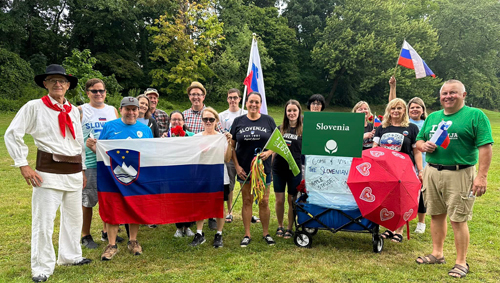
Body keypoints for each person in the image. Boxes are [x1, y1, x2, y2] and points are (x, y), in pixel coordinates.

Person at [4, 64, 92, 282]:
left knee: (74, 218)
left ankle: (70, 256)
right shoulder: (34, 107)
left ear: (68, 85)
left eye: (61, 80)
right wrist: (22, 164)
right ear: (45, 84)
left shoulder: (73, 110)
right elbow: (13, 133)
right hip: (48, 172)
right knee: (44, 221)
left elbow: (78, 141)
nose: (57, 84)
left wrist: (81, 169)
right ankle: (42, 267)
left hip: (73, 171)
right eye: (52, 80)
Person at [415, 80, 493, 279]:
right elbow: (420, 139)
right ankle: (437, 253)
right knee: (436, 214)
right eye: (445, 93)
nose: (448, 96)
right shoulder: (433, 117)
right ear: (440, 97)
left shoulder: (475, 116)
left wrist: (482, 177)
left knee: (458, 218)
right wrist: (423, 146)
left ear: (464, 95)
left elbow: (485, 147)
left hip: (460, 173)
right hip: (432, 170)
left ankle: (460, 262)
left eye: (453, 93)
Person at [86, 97, 153, 261]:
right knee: (113, 207)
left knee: (134, 206)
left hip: (136, 176)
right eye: (127, 109)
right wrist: (92, 146)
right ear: (121, 109)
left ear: (139, 111)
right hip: (112, 176)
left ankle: (133, 241)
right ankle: (111, 244)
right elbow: (101, 152)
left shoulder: (145, 130)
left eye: (134, 109)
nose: (131, 112)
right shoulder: (110, 126)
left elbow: (151, 153)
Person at [78, 78, 122, 250]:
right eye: (94, 91)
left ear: (105, 92)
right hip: (89, 162)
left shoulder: (112, 110)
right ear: (88, 92)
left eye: (101, 90)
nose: (98, 94)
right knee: (88, 200)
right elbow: (74, 137)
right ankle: (85, 234)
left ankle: (106, 232)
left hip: (109, 162)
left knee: (109, 198)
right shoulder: (81, 110)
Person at [373, 98, 423, 243]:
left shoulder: (412, 128)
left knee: (402, 200)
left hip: (404, 170)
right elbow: (374, 149)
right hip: (385, 170)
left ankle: (399, 230)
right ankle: (389, 228)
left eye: (399, 108)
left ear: (404, 111)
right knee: (387, 199)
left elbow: (417, 152)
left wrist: (420, 170)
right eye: (393, 108)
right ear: (389, 110)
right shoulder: (382, 127)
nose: (396, 111)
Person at [230, 92, 277, 247]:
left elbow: (277, 144)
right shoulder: (238, 121)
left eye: (257, 102)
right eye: (251, 102)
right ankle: (247, 234)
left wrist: (269, 152)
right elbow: (232, 146)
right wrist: (236, 166)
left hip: (263, 170)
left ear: (260, 104)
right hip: (244, 170)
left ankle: (266, 233)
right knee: (247, 201)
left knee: (263, 201)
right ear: (246, 103)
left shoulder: (268, 120)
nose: (254, 105)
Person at [389, 76, 429, 234]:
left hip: (423, 163)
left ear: (423, 110)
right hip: (406, 165)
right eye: (412, 107)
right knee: (405, 195)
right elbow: (393, 104)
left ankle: (421, 222)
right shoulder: (406, 124)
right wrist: (393, 87)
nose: (414, 110)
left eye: (418, 108)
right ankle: (401, 220)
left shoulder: (426, 123)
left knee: (422, 194)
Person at [190, 107, 233, 248]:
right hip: (202, 176)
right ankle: (199, 233)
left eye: (211, 119)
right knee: (200, 203)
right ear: (201, 121)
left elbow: (227, 159)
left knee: (219, 205)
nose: (208, 122)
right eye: (205, 119)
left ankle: (219, 234)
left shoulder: (222, 138)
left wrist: (230, 144)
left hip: (220, 176)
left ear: (216, 121)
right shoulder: (196, 138)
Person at [182, 81, 222, 230]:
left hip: (211, 159)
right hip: (194, 159)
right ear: (189, 96)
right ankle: (195, 216)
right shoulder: (184, 115)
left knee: (211, 189)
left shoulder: (211, 113)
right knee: (195, 189)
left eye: (198, 94)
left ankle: (211, 216)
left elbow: (221, 133)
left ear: (203, 96)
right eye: (193, 94)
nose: (196, 97)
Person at [272, 100, 303, 239]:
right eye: (289, 110)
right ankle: (280, 225)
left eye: (294, 110)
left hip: (294, 169)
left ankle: (290, 227)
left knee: (292, 200)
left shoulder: (304, 130)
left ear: (299, 112)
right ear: (285, 112)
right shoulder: (279, 129)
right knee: (279, 200)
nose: (291, 113)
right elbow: (273, 149)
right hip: (279, 169)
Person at [218, 88, 248, 223]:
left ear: (240, 99)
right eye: (230, 97)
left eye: (235, 97)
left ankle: (248, 210)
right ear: (227, 99)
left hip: (244, 154)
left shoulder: (246, 113)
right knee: (229, 183)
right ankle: (229, 211)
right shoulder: (222, 116)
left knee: (247, 184)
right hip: (229, 154)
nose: (233, 100)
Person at [167, 110, 195, 237]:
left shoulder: (191, 136)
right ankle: (178, 227)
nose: (176, 122)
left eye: (179, 119)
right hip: (172, 173)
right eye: (174, 119)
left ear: (183, 122)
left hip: (188, 173)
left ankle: (188, 226)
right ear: (170, 121)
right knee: (176, 200)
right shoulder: (165, 137)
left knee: (189, 200)